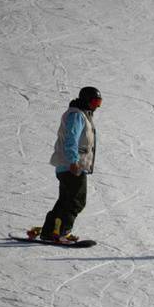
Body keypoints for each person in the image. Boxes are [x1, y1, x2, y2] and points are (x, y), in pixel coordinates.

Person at [35, 86, 102, 242]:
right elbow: (71, 139)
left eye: (99, 102)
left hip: (66, 166)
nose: (97, 106)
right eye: (94, 101)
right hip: (72, 166)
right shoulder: (77, 116)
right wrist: (73, 161)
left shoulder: (80, 114)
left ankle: (49, 231)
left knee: (65, 201)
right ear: (86, 100)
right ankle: (62, 232)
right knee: (76, 201)